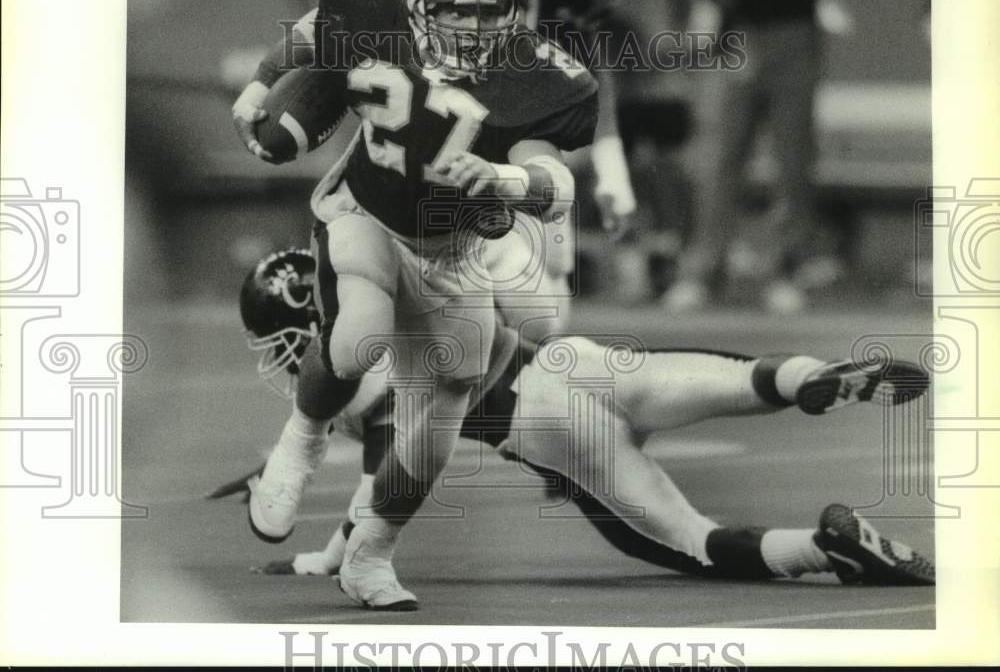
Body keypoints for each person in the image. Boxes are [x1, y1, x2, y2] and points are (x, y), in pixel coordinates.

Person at [210, 248, 934, 610]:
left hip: (551, 428)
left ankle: (822, 545)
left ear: (309, 325)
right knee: (741, 379)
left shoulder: (356, 363)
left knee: (695, 545)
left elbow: (381, 475)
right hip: (580, 361)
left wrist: (329, 556)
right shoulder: (395, 262)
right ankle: (813, 374)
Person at [231, 0, 598, 608]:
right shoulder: (374, 8)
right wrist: (260, 87)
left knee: (439, 420)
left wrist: (503, 179)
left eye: (488, 11)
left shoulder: (539, 73)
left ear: (511, 9)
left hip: (452, 250)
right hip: (365, 210)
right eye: (455, 8)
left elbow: (557, 180)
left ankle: (370, 554)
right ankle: (300, 442)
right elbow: (313, 33)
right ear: (415, 0)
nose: (472, 24)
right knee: (361, 332)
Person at [663, 0, 894, 314]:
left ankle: (784, 270)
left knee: (793, 160)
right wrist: (713, 0)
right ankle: (702, 272)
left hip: (796, 36)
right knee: (722, 159)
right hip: (740, 34)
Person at [379, 0, 639, 247]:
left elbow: (588, 62)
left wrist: (612, 172)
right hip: (436, 117)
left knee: (545, 265)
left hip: (523, 124)